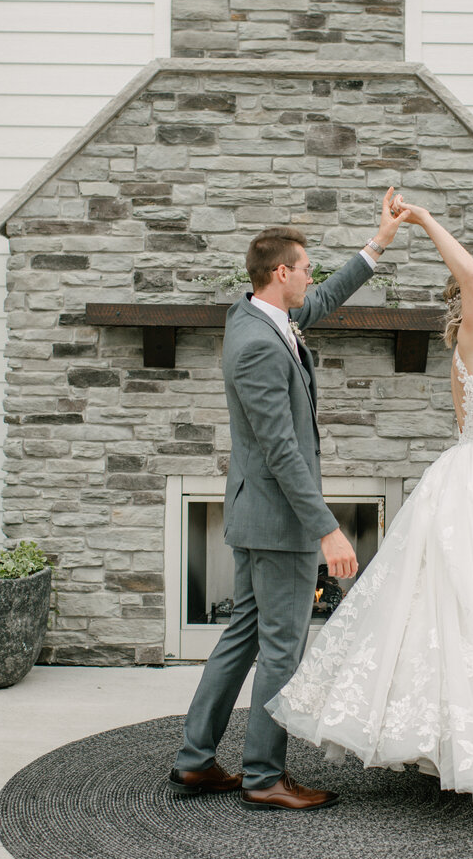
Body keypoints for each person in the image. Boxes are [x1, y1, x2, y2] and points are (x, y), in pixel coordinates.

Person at [267, 199, 473, 807]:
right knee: (468, 608)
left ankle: (460, 739)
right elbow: (469, 276)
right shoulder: (472, 341)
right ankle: (465, 745)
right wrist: (419, 221)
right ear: (470, 305)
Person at [169, 189, 407, 811]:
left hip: (260, 519)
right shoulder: (256, 344)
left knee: (241, 638)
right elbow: (281, 453)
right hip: (278, 523)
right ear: (282, 273)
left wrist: (378, 242)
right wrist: (327, 528)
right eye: (305, 268)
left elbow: (325, 298)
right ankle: (265, 777)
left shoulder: (260, 316)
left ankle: (195, 761)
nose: (311, 278)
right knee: (282, 648)